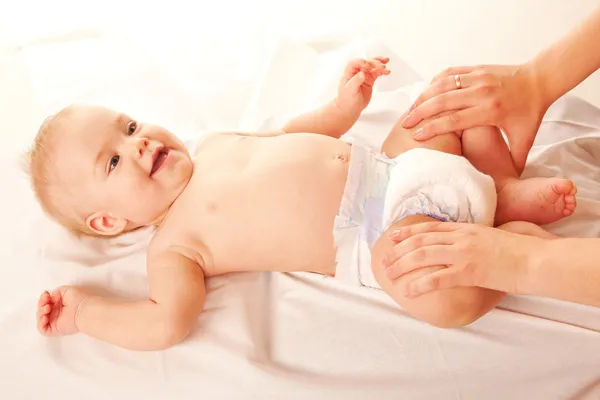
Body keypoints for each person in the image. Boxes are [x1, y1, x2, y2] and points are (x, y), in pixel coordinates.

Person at [31, 56, 572, 351]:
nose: (139, 142)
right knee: (430, 292)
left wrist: (343, 106)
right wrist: (85, 313)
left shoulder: (214, 144)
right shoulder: (173, 247)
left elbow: (295, 132)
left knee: (447, 97)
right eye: (113, 161)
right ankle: (511, 238)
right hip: (385, 235)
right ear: (109, 220)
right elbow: (165, 323)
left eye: (128, 125)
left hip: (394, 166)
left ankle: (497, 189)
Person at [383, 7, 600, 308]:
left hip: (386, 206)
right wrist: (537, 81)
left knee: (437, 293)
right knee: (450, 109)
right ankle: (500, 189)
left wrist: (523, 260)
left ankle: (500, 203)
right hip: (380, 193)